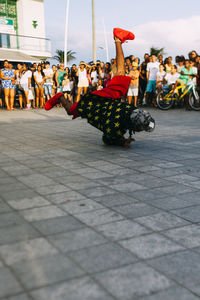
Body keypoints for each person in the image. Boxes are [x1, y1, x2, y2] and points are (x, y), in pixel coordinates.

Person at [45, 28, 155, 148]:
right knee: (71, 109)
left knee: (120, 74)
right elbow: (106, 139)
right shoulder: (117, 127)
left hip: (103, 101)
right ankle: (118, 39)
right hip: (96, 103)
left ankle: (59, 97)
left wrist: (122, 139)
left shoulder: (131, 114)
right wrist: (122, 141)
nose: (139, 131)